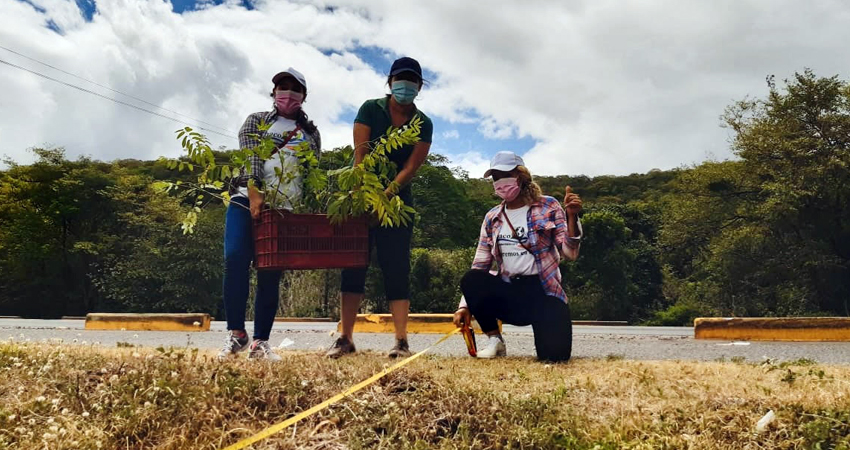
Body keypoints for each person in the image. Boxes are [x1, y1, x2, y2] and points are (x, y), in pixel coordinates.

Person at [327, 57, 434, 359]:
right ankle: (345, 337)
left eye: (412, 81)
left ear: (420, 86)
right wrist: (365, 197)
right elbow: (360, 156)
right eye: (401, 79)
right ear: (389, 82)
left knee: (396, 266)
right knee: (353, 265)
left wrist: (386, 195)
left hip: (397, 202)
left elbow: (412, 167)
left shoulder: (422, 123)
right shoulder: (370, 109)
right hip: (360, 194)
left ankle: (401, 341)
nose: (406, 86)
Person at [218, 68, 321, 360]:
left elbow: (312, 172)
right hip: (244, 199)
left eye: (294, 89)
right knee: (235, 259)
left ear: (303, 96)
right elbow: (251, 156)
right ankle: (236, 334)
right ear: (273, 93)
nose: (287, 93)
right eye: (282, 87)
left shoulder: (311, 133)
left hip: (283, 208)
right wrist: (254, 193)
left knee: (270, 272)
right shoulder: (257, 121)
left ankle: (260, 342)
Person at [452, 151, 583, 362]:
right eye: (495, 177)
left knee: (555, 357)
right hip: (510, 292)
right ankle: (495, 341)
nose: (500, 182)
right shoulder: (492, 217)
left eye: (505, 174)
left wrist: (572, 217)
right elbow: (480, 264)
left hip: (543, 292)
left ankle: (549, 337)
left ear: (521, 176)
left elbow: (570, 253)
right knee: (472, 278)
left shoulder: (548, 206)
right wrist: (464, 306)